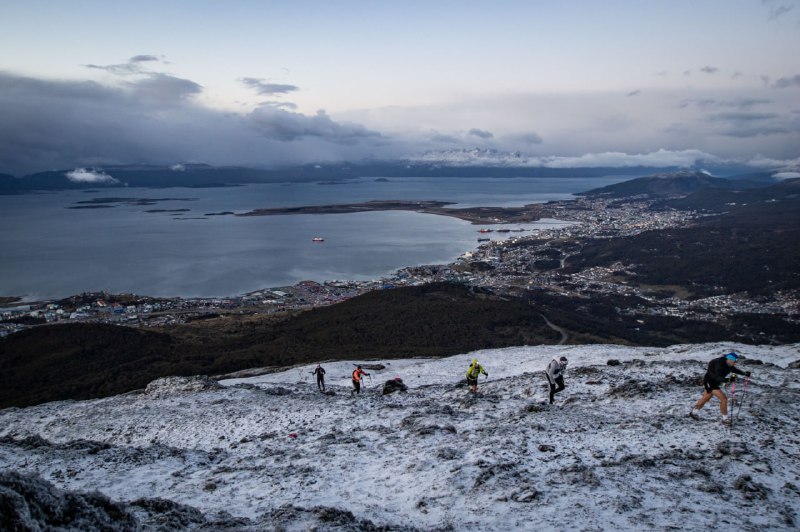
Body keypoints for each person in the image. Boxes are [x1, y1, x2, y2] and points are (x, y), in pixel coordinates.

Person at [690, 352, 750, 424]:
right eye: (735, 361)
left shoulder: (728, 364)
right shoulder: (720, 365)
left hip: (714, 382)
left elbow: (733, 369)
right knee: (723, 398)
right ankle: (725, 419)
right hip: (710, 382)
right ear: (730, 360)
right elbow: (718, 378)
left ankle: (693, 413)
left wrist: (744, 373)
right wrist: (729, 380)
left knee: (706, 398)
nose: (735, 363)